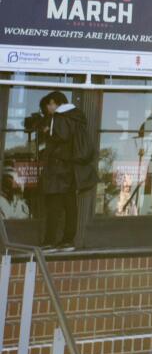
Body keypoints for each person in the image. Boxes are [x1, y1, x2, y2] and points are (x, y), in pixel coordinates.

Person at [28, 91, 97, 252]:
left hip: (59, 169)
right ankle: (68, 241)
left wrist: (45, 130)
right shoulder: (76, 117)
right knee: (70, 206)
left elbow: (61, 137)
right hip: (72, 169)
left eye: (48, 105)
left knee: (53, 206)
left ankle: (50, 241)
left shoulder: (60, 117)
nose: (47, 108)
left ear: (55, 103)